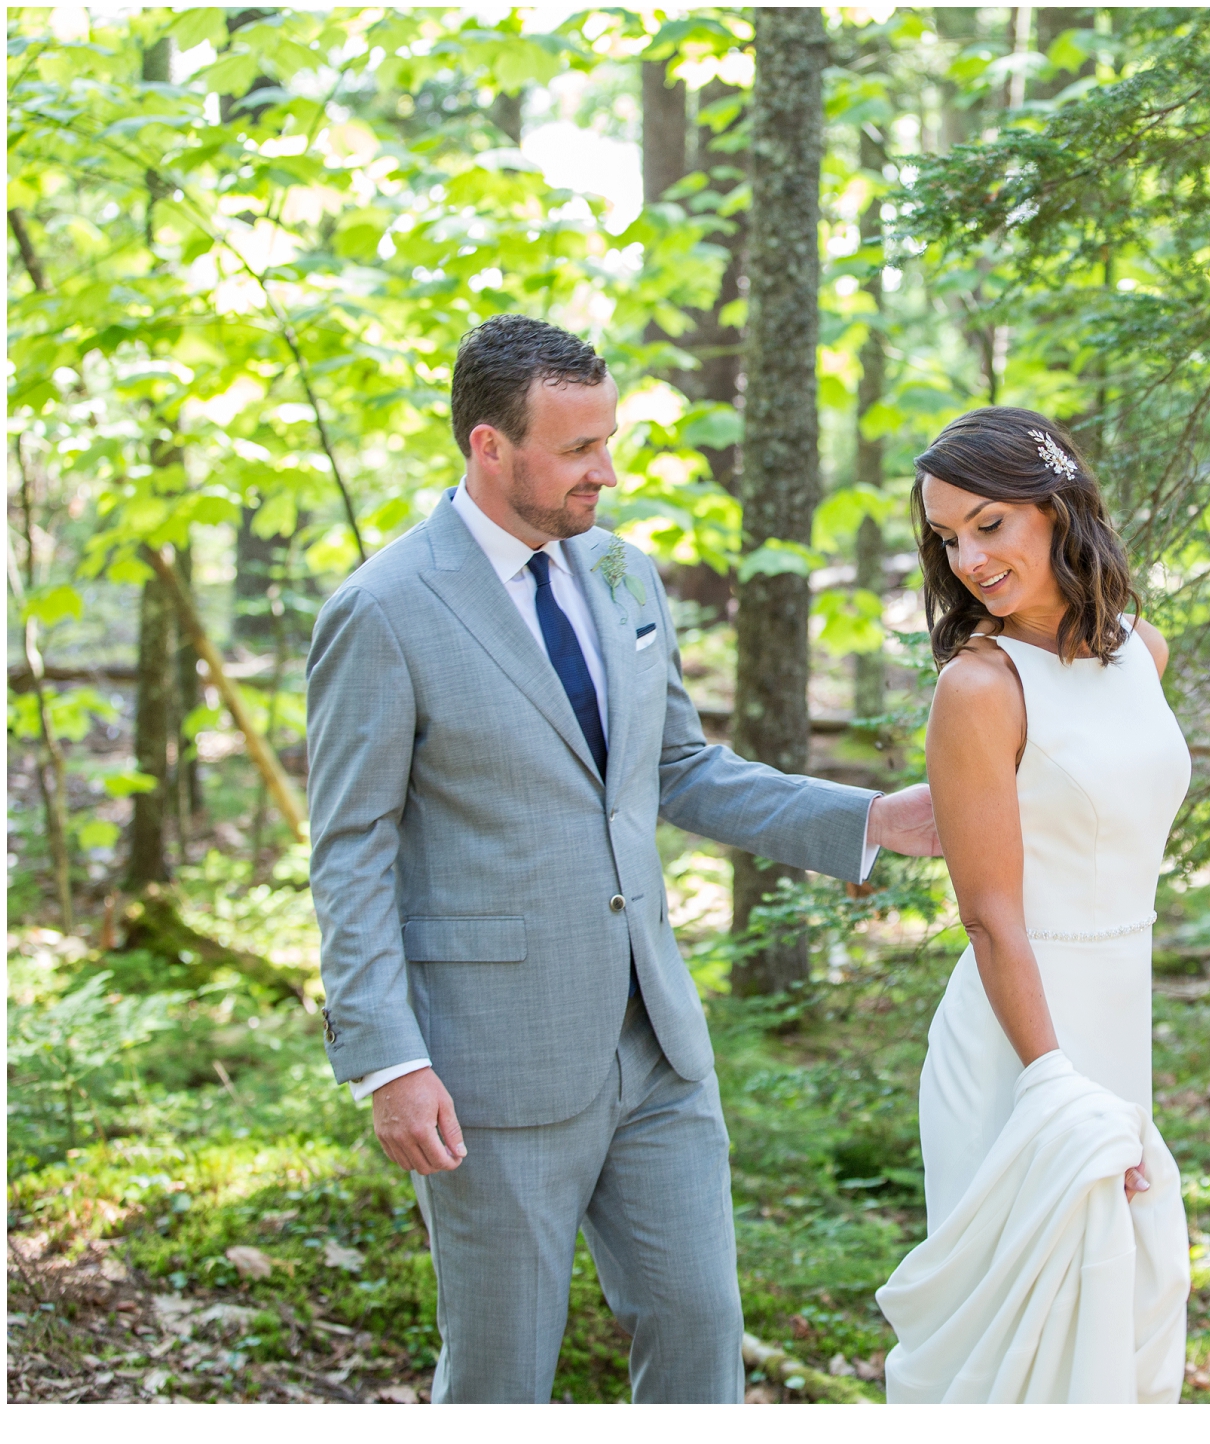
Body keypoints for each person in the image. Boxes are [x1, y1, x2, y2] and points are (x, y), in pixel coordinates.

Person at [305, 314, 939, 1404]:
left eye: (610, 439)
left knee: (700, 1338)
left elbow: (680, 768)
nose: (607, 470)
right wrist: (387, 1057)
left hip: (656, 1046)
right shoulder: (382, 610)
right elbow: (349, 851)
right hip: (488, 1066)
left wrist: (869, 819)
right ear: (488, 448)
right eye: (577, 450)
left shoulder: (621, 575)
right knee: (502, 1373)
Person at [876, 408, 1190, 1403]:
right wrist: (1054, 1082)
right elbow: (990, 914)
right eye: (948, 537)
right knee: (1016, 1354)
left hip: (1116, 1021)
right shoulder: (981, 684)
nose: (969, 557)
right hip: (1021, 1044)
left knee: (1119, 1308)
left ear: (1056, 508)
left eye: (988, 523)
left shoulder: (1146, 651)